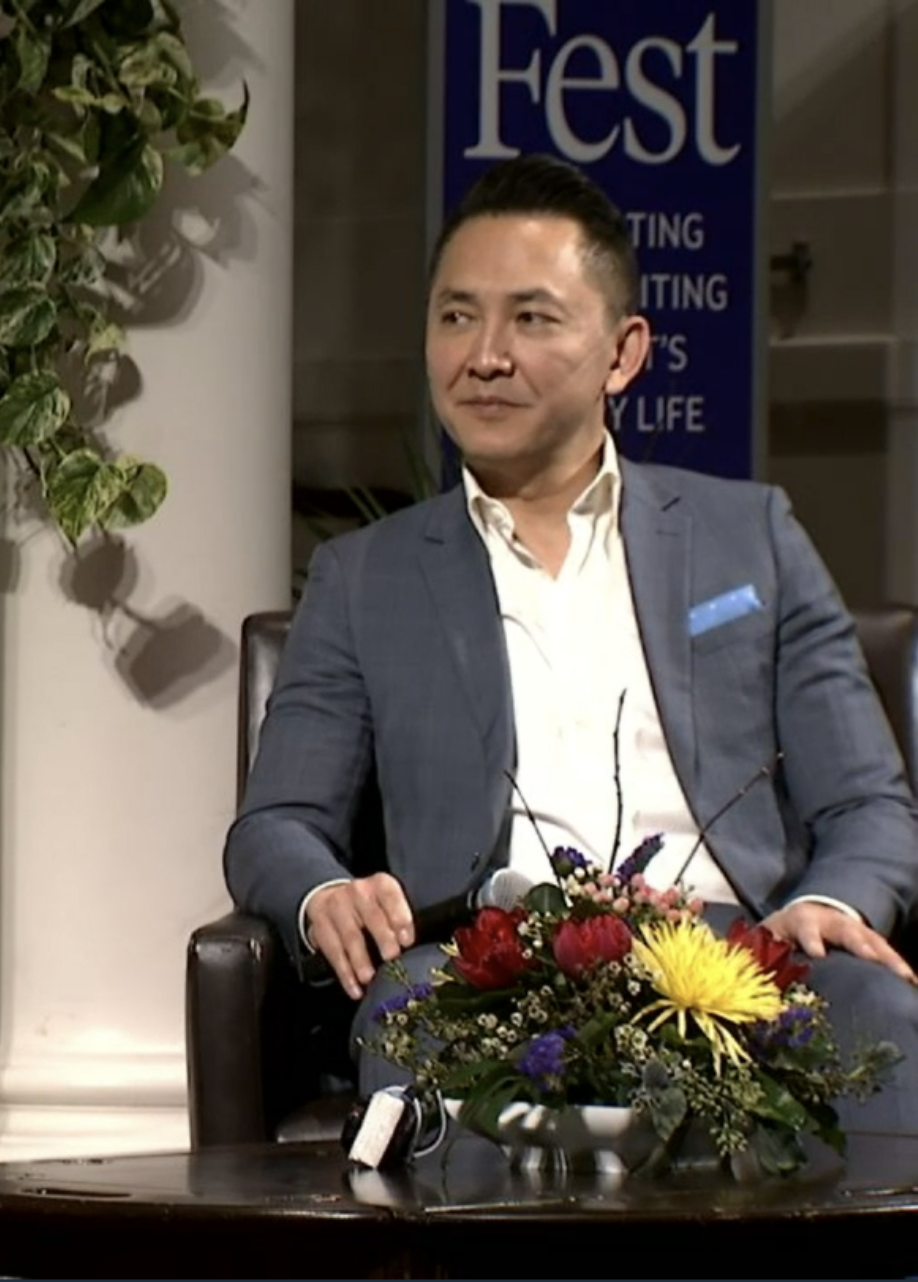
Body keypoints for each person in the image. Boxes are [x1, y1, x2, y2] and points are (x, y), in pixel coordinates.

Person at [223, 153, 918, 1127]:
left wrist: (835, 903)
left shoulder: (748, 536)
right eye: (456, 315)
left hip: (733, 954)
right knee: (412, 1023)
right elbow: (275, 823)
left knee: (883, 1017)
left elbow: (868, 802)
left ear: (624, 353)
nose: (484, 355)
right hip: (486, 963)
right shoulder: (366, 577)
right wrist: (324, 890)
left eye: (531, 318)